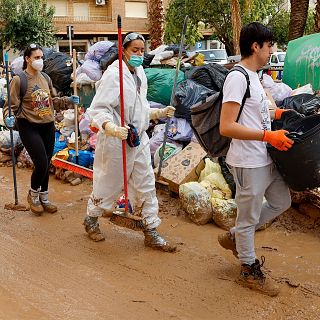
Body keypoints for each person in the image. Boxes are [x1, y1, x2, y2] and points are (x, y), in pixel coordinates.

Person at [218, 22, 293, 296]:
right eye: (269, 44)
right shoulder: (237, 77)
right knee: (248, 218)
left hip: (265, 157)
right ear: (255, 46)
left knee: (282, 201)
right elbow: (226, 126)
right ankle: (248, 269)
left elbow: (256, 114)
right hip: (248, 161)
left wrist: (279, 115)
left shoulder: (254, 77)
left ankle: (237, 236)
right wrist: (267, 136)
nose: (272, 49)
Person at [84, 32, 176, 252]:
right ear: (123, 50)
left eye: (141, 50)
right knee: (109, 183)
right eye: (134, 50)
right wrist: (111, 128)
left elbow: (139, 108)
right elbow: (98, 108)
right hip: (117, 140)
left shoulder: (140, 73)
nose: (139, 54)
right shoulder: (113, 75)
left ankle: (151, 230)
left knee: (146, 183)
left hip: (138, 138)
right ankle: (92, 218)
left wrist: (158, 113)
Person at [4, 44, 79, 215]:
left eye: (41, 57)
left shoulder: (45, 77)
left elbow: (52, 101)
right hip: (28, 125)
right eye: (36, 58)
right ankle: (33, 194)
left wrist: (68, 100)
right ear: (27, 59)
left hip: (47, 125)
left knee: (46, 161)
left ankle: (44, 198)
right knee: (41, 163)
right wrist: (8, 117)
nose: (40, 61)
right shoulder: (19, 80)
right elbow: (10, 105)